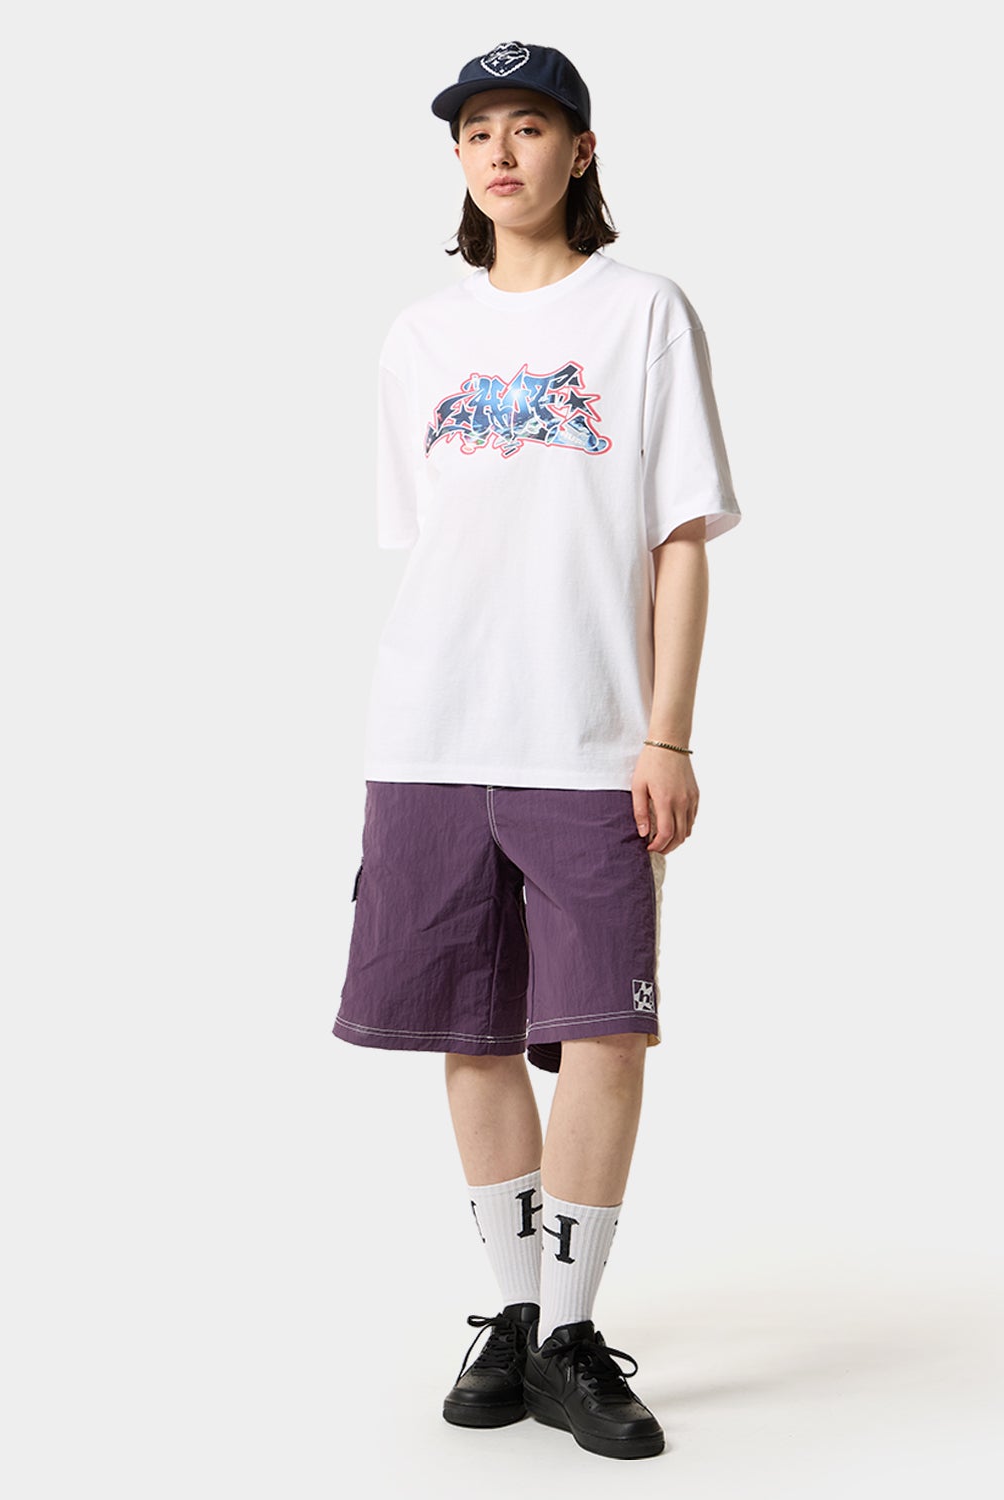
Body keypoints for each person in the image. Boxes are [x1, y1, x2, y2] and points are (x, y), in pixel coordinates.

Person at [333, 40, 741, 1461]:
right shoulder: (418, 338)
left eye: (529, 127)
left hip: (590, 738)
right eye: (476, 133)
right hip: (431, 729)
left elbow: (678, 542)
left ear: (581, 150)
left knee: (608, 1028)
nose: (500, 153)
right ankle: (513, 1315)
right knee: (471, 1026)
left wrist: (668, 732)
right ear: (457, 161)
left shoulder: (643, 313)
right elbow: (437, 546)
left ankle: (570, 1332)